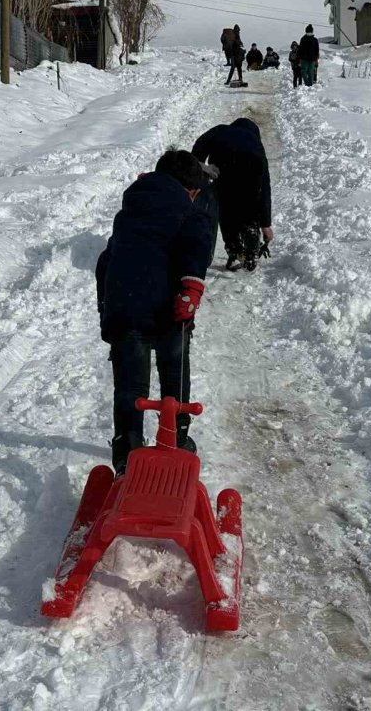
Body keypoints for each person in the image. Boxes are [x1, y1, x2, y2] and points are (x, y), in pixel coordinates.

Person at [95, 150, 215, 474]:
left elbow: (105, 262)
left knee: (130, 390)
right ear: (191, 190)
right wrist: (191, 288)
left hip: (126, 311)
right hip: (168, 313)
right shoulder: (190, 213)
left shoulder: (130, 211)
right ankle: (175, 440)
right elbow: (197, 245)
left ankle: (126, 453)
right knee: (174, 376)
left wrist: (107, 310)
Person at [191, 118, 273, 272]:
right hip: (252, 166)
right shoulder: (257, 145)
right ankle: (250, 231)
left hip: (224, 166)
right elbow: (265, 188)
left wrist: (201, 165)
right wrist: (265, 224)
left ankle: (234, 248)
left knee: (226, 209)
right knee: (250, 206)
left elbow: (199, 145)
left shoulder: (221, 130)